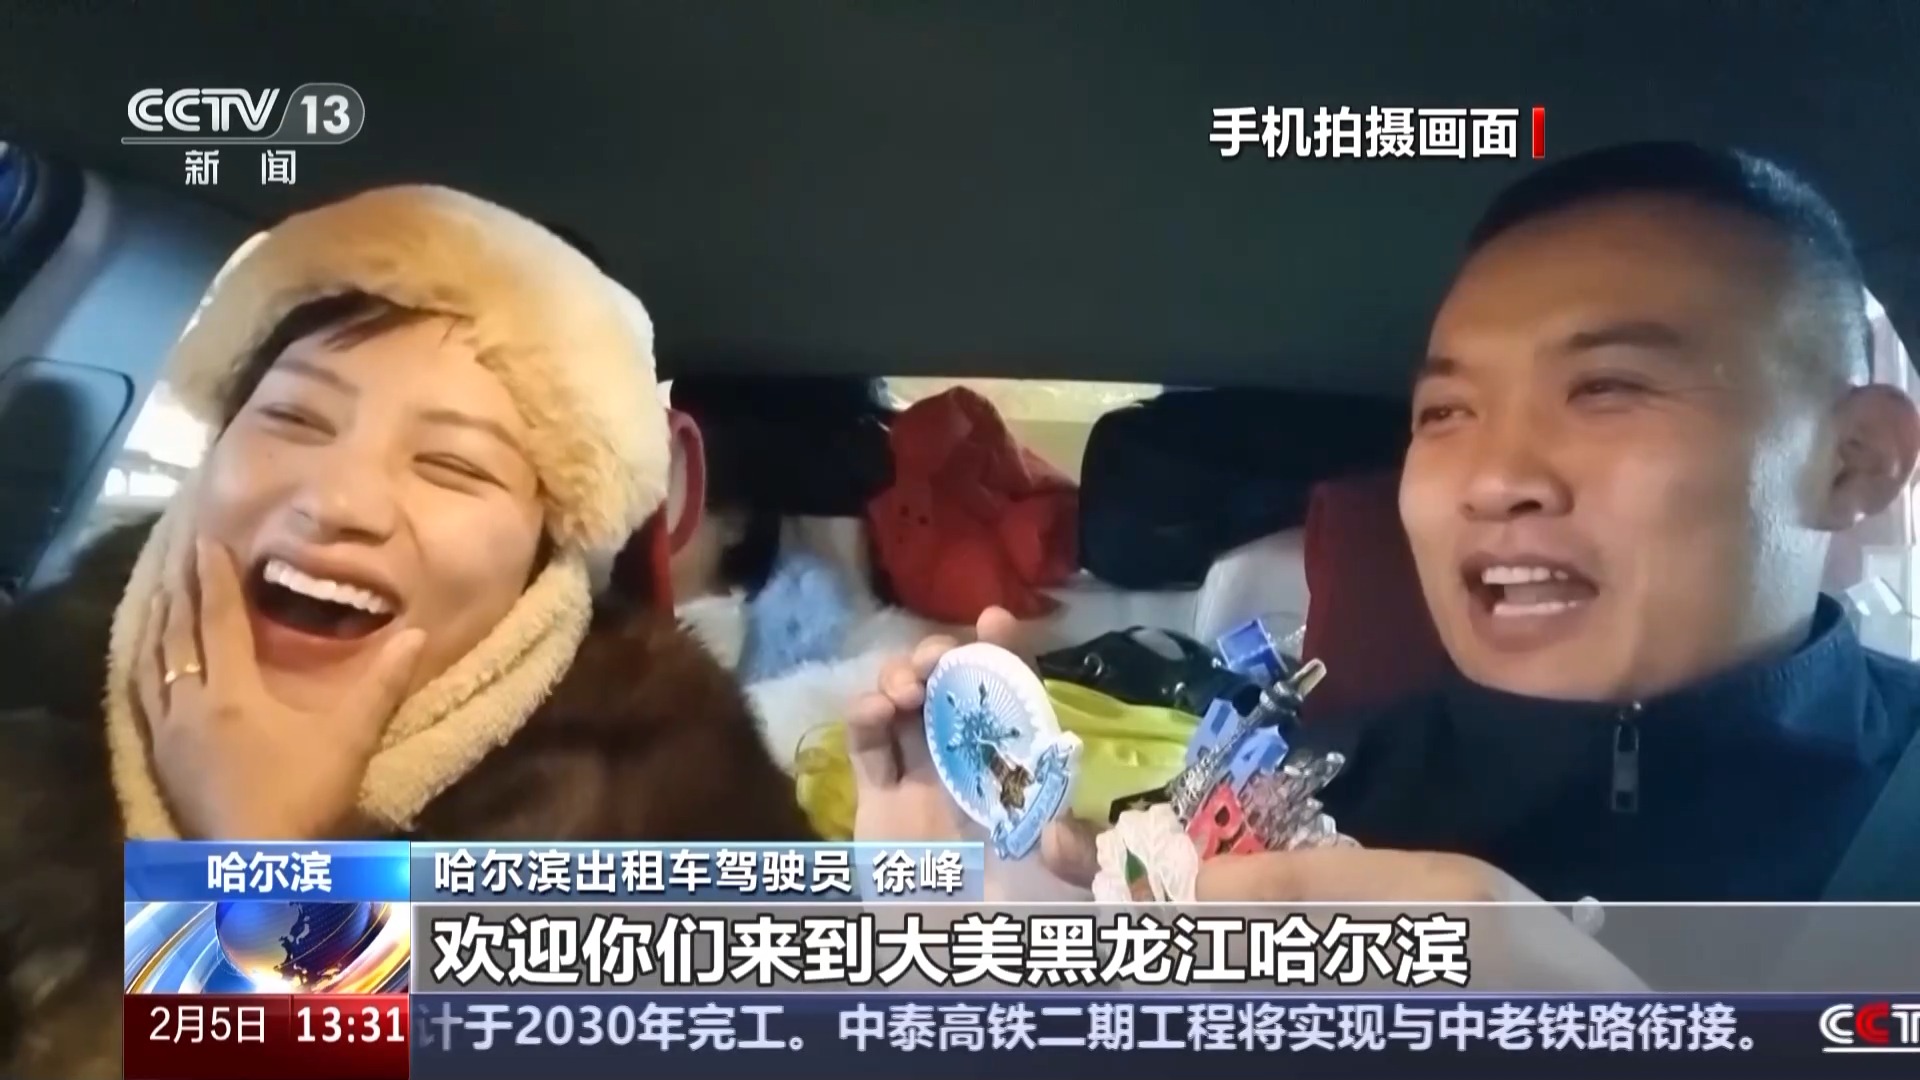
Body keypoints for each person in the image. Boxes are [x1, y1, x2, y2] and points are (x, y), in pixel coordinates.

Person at [851, 142, 1920, 945]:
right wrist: (955, 941)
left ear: (1856, 461)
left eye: (1606, 388)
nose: (1494, 477)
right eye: (1445, 413)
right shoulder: (1286, 804)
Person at [0, 186, 813, 1077]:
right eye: (294, 418)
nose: (334, 501)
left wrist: (272, 860)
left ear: (547, 549)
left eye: (453, 464)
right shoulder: (39, 686)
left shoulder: (665, 800)